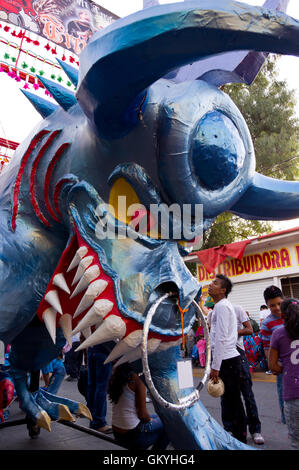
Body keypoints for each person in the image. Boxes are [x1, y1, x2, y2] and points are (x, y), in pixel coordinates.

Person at [208, 274, 247, 443]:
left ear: (223, 290)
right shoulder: (220, 306)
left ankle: (240, 439)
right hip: (227, 359)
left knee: (234, 401)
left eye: (215, 283)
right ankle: (237, 436)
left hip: (228, 360)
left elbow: (222, 338)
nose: (210, 285)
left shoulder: (222, 307)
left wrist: (215, 366)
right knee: (231, 400)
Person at [108, 363, 169, 450]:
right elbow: (143, 415)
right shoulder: (137, 380)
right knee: (167, 423)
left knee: (158, 417)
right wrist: (149, 420)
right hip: (133, 436)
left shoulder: (115, 377)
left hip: (117, 432)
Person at [269, 298, 299, 450]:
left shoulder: (278, 333)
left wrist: (288, 369)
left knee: (296, 442)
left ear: (282, 316)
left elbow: (272, 366)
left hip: (293, 393)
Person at [233, 305, 264, 445]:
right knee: (228, 397)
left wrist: (230, 333)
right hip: (222, 358)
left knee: (247, 394)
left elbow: (249, 329)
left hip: (238, 355)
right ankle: (232, 429)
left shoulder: (236, 309)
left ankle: (255, 429)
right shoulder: (212, 314)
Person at [260, 285, 285, 423]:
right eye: (272, 305)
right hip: (283, 367)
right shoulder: (267, 324)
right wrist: (273, 365)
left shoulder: (295, 312)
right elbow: (267, 348)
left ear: (284, 299)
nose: (276, 308)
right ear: (267, 306)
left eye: (279, 303)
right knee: (286, 398)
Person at [87, 342, 114, 434]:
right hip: (104, 352)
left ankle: (92, 419)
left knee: (93, 386)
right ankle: (98, 422)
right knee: (101, 388)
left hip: (91, 350)